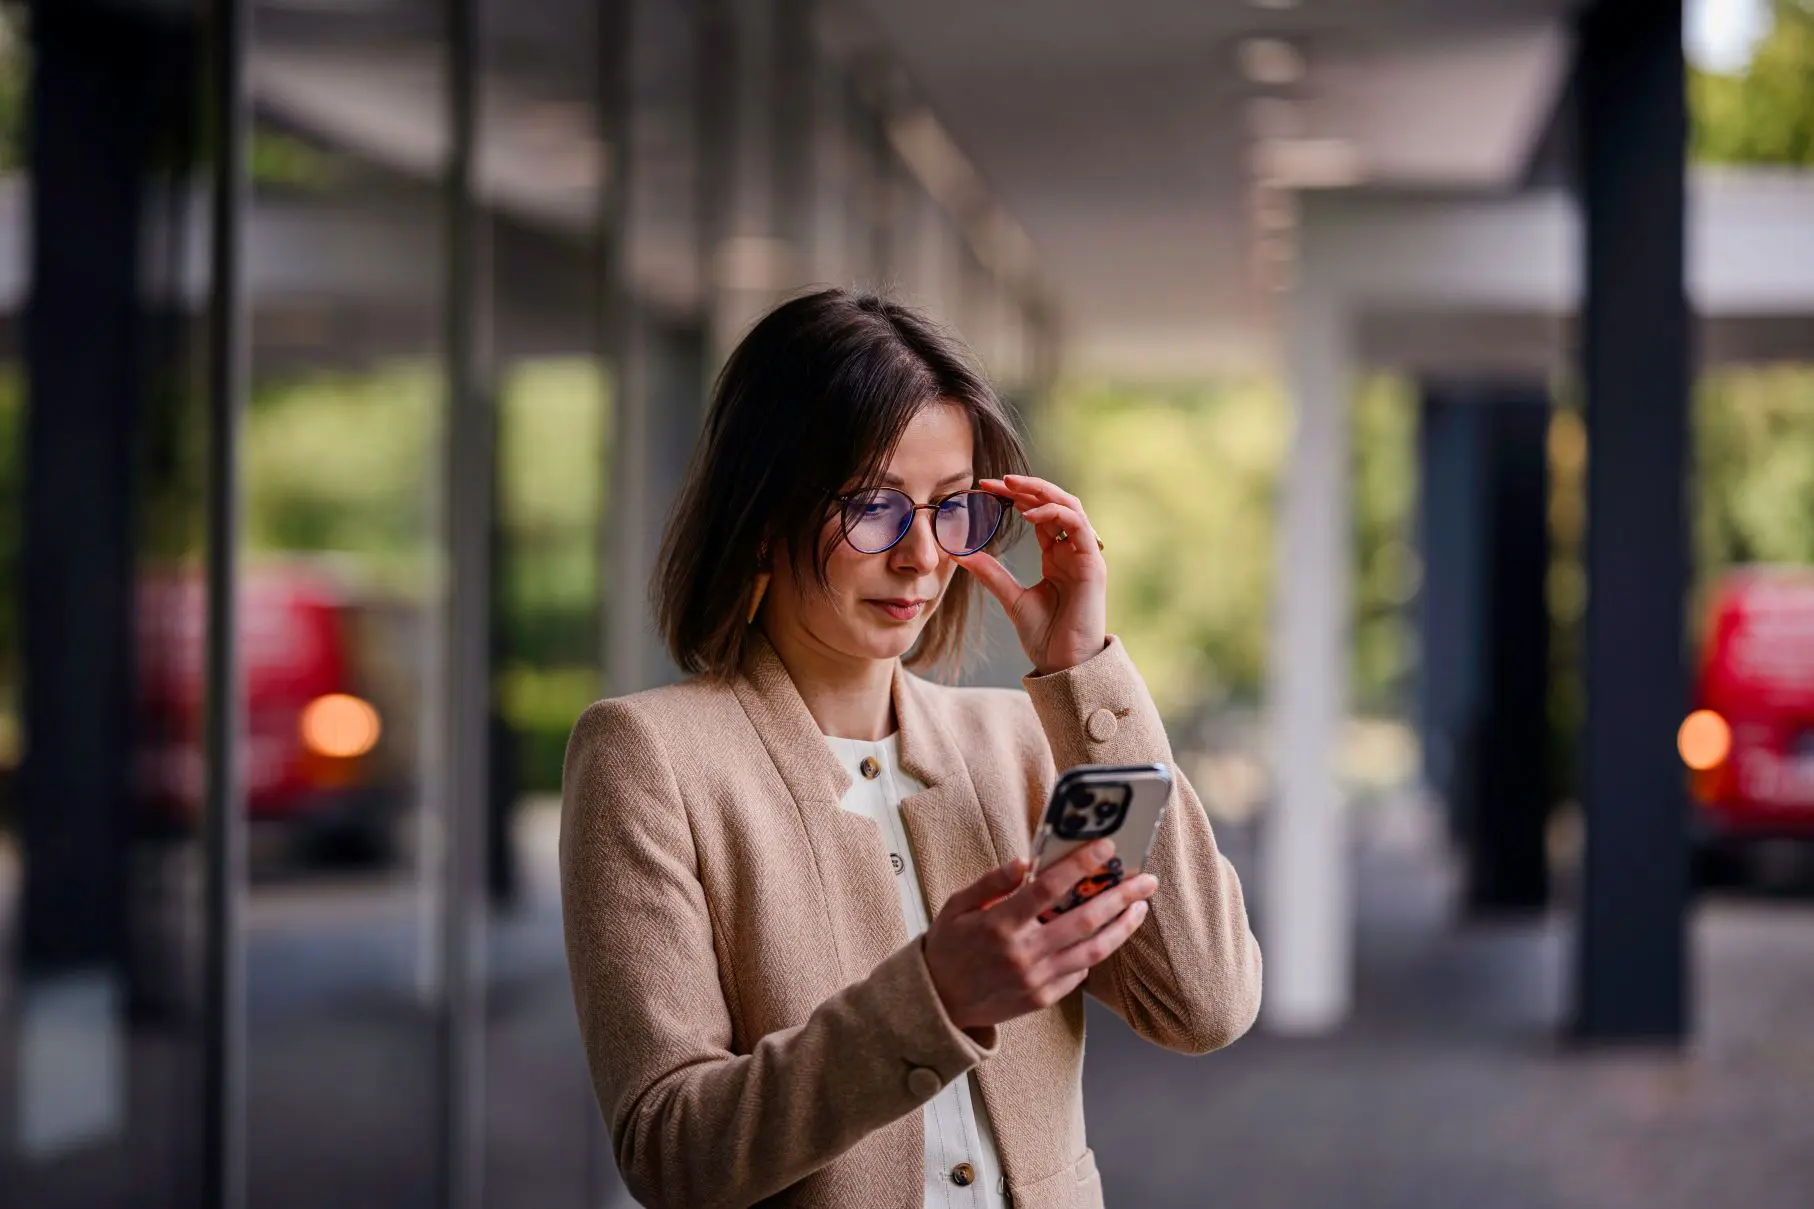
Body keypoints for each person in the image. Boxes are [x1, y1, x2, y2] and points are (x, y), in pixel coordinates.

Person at [560, 288, 1261, 1209]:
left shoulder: (1021, 741)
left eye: (952, 508)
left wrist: (1085, 674)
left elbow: (1203, 1001)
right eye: (875, 508)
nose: (924, 556)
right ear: (765, 513)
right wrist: (933, 997)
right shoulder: (648, 758)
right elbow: (671, 1150)